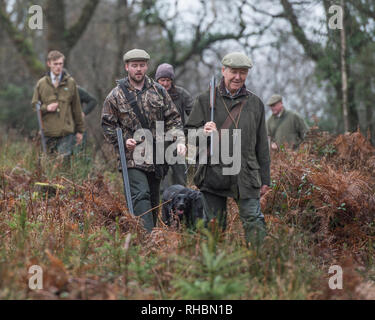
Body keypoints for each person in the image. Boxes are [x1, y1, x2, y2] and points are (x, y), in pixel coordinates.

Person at [185, 52, 270, 246]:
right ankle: (213, 268)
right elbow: (189, 134)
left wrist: (265, 178)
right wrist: (203, 132)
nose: (238, 77)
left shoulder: (255, 104)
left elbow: (262, 145)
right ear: (223, 71)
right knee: (214, 225)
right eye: (233, 72)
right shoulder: (205, 100)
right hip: (213, 171)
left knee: (254, 219)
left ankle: (260, 265)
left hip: (246, 173)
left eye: (243, 72)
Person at [101, 49, 186, 233]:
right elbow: (107, 125)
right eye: (134, 66)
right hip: (133, 158)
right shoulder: (116, 95)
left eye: (141, 65)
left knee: (154, 202)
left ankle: (146, 238)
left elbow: (174, 118)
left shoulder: (159, 90)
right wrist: (124, 141)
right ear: (127, 67)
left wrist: (179, 139)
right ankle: (148, 241)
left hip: (157, 158)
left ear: (146, 66)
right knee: (141, 196)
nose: (138, 69)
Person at [31, 50, 84, 157]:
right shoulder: (41, 84)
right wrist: (46, 108)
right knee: (48, 164)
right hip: (48, 132)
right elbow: (34, 106)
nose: (58, 67)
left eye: (60, 64)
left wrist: (80, 131)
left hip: (66, 132)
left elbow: (77, 108)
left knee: (63, 162)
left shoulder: (70, 82)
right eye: (55, 64)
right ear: (49, 64)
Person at [155, 63, 194, 189]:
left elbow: (194, 114)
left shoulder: (182, 94)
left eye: (168, 80)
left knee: (180, 177)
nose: (165, 83)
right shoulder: (150, 95)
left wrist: (186, 133)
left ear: (172, 80)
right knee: (160, 179)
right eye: (162, 80)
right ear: (157, 80)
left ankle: (181, 203)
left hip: (177, 141)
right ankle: (161, 205)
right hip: (157, 141)